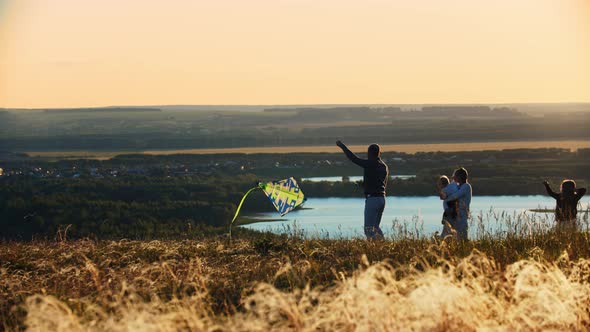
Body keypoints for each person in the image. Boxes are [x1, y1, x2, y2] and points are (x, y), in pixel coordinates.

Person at [336, 140, 388, 239]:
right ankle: (383, 245)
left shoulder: (370, 163)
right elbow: (380, 183)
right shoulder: (384, 166)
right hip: (382, 198)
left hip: (372, 199)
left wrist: (343, 147)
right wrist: (365, 185)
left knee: (368, 229)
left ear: (370, 153)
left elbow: (354, 159)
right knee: (375, 227)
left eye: (368, 152)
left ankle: (373, 249)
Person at [442, 167, 472, 241]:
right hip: (455, 215)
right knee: (450, 236)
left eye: (455, 176)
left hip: (462, 216)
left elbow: (456, 196)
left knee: (462, 238)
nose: (453, 177)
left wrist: (447, 198)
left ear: (460, 177)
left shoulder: (466, 186)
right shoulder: (458, 186)